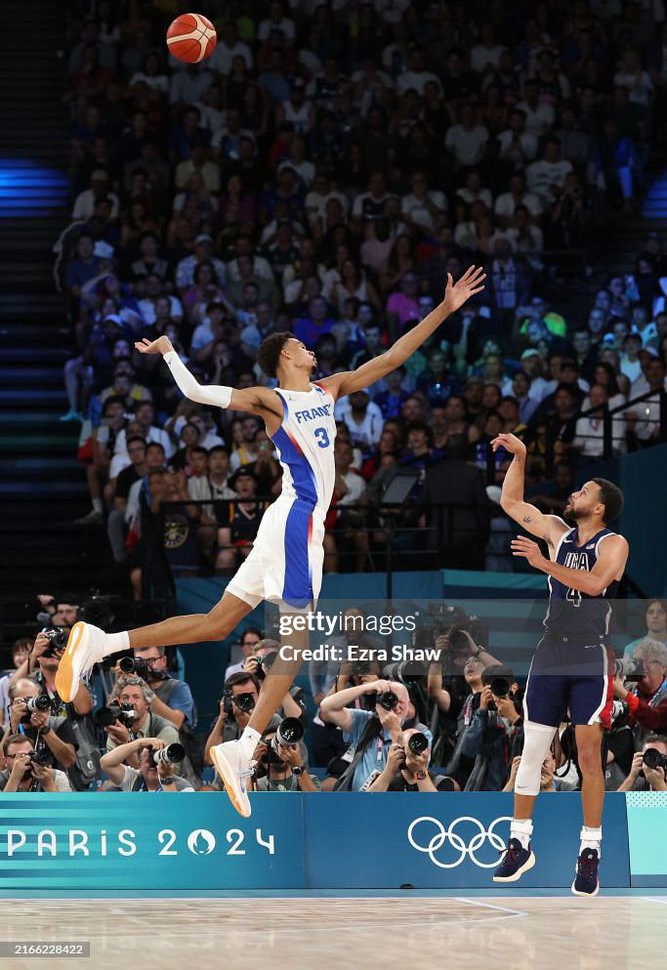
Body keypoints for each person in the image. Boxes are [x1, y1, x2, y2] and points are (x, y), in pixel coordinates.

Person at [55, 266, 487, 818]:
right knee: (295, 643)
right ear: (286, 355)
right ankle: (243, 746)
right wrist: (168, 352)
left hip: (287, 524)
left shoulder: (330, 388)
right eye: (303, 346)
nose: (312, 350)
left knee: (216, 624)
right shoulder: (272, 399)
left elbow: (392, 357)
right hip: (296, 522)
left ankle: (102, 643)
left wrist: (445, 309)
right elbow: (197, 392)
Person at [490, 432, 628, 896]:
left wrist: (543, 564)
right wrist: (522, 456)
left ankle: (590, 852)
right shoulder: (556, 531)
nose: (575, 494)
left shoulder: (614, 543)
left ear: (599, 507)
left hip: (590, 654)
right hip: (551, 650)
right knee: (531, 750)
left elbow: (594, 584)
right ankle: (519, 843)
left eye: (584, 491)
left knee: (589, 754)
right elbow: (512, 502)